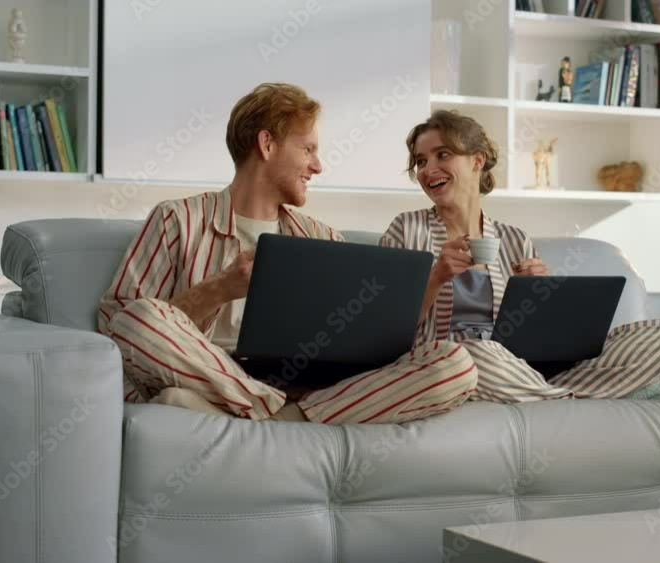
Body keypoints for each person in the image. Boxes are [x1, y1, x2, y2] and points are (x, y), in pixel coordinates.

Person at [97, 85, 477, 423]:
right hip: (209, 374)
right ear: (266, 145)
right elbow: (118, 329)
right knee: (139, 316)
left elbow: (361, 341)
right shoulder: (177, 220)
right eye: (308, 149)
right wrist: (219, 288)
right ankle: (269, 409)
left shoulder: (321, 237)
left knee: (456, 363)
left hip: (312, 388)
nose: (317, 165)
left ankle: (280, 417)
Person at [379, 110, 660, 402]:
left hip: (519, 366)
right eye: (420, 161)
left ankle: (540, 391)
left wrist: (540, 299)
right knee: (473, 355)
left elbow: (538, 337)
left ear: (477, 161)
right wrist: (436, 279)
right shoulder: (406, 230)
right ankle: (569, 395)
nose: (427, 169)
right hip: (452, 363)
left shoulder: (514, 239)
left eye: (442, 155)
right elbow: (383, 330)